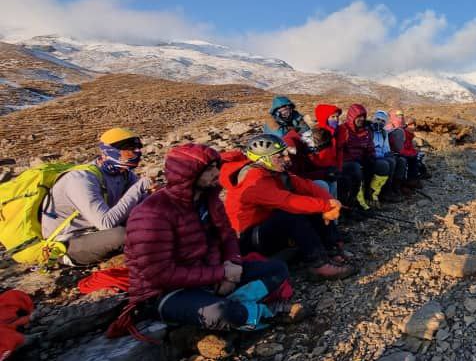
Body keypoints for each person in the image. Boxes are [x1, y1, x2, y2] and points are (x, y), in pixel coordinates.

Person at [125, 144, 295, 331]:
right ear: (187, 174)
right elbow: (160, 275)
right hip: (167, 292)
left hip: (210, 275)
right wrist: (221, 274)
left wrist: (232, 266)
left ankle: (236, 309)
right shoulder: (152, 213)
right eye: (208, 169)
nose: (216, 173)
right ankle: (264, 313)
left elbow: (227, 236)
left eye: (216, 166)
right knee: (220, 312)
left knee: (277, 269)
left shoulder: (209, 200)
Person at [220, 134, 355, 279]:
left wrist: (330, 202)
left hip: (265, 227)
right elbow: (288, 202)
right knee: (291, 215)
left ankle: (331, 248)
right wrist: (326, 205)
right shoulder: (253, 181)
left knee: (313, 205)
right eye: (279, 156)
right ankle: (319, 265)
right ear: (263, 159)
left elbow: (305, 185)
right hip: (248, 238)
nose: (286, 159)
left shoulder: (271, 170)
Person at [40, 128, 153, 266]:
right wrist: (138, 188)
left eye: (138, 148)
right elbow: (106, 223)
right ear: (111, 151)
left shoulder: (124, 173)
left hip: (96, 232)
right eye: (130, 149)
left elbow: (142, 204)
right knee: (122, 235)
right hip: (68, 243)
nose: (137, 152)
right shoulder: (81, 179)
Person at [338, 104, 394, 210]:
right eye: (359, 116)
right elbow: (340, 150)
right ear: (352, 116)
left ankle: (371, 195)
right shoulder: (343, 129)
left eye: (363, 117)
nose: (362, 119)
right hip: (347, 161)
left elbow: (370, 147)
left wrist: (371, 158)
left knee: (382, 166)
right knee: (356, 169)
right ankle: (359, 202)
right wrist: (354, 160)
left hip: (361, 160)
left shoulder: (365, 131)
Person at [370, 110, 404, 203]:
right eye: (378, 119)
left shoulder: (384, 133)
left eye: (382, 121)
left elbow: (386, 148)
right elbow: (369, 148)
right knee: (386, 163)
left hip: (381, 156)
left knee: (398, 160)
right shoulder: (369, 131)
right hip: (371, 157)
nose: (379, 122)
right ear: (373, 119)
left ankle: (392, 189)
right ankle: (382, 192)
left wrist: (390, 154)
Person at [387, 110, 424, 191]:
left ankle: (411, 180)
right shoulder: (392, 129)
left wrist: (413, 152)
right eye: (398, 116)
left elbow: (408, 146)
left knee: (414, 157)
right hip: (393, 153)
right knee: (405, 160)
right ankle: (404, 183)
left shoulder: (403, 131)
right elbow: (397, 147)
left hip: (399, 152)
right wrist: (411, 153)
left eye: (401, 116)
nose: (413, 127)